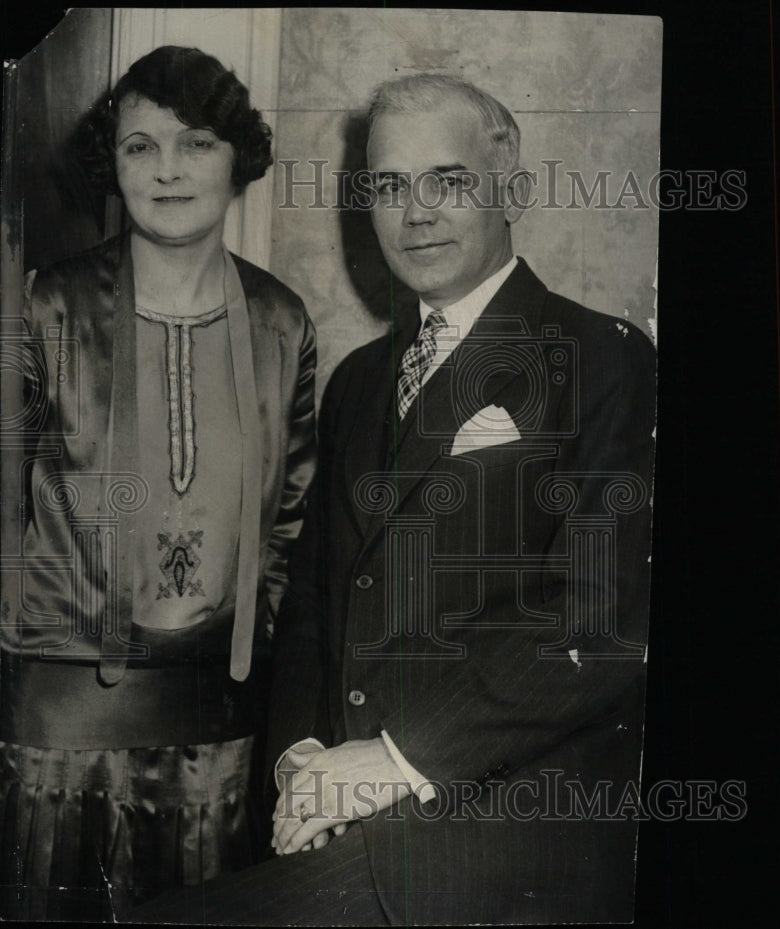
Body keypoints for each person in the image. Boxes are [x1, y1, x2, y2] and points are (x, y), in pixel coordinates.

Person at [134, 72, 655, 926]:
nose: (415, 213)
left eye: (446, 181)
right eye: (387, 185)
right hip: (353, 828)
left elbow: (598, 622)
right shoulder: (358, 382)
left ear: (510, 187)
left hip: (507, 842)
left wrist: (390, 761)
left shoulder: (605, 357)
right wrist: (303, 758)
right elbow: (311, 602)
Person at [0, 46, 317, 921]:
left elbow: (291, 523)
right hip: (57, 742)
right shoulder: (45, 308)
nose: (169, 169)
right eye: (141, 147)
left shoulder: (283, 322)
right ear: (114, 165)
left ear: (237, 159)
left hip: (219, 744)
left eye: (196, 143)